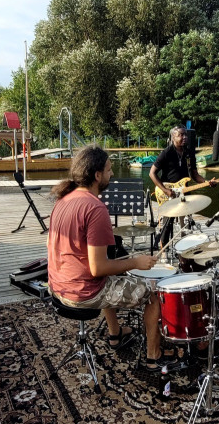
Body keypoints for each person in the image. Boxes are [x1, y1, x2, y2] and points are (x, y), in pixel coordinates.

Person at [47, 145, 168, 369]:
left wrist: (123, 265)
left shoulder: (62, 200)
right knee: (154, 292)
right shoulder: (95, 208)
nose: (112, 174)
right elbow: (98, 269)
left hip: (57, 287)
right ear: (97, 175)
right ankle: (154, 355)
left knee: (114, 276)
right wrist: (136, 262)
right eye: (110, 170)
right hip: (82, 293)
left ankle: (115, 333)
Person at [149, 126, 217, 247]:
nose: (185, 137)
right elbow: (152, 173)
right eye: (181, 135)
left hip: (185, 193)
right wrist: (165, 190)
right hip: (169, 192)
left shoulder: (189, 153)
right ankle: (164, 250)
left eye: (185, 135)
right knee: (167, 225)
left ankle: (183, 252)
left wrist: (207, 182)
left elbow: (194, 175)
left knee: (186, 226)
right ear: (173, 137)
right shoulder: (166, 152)